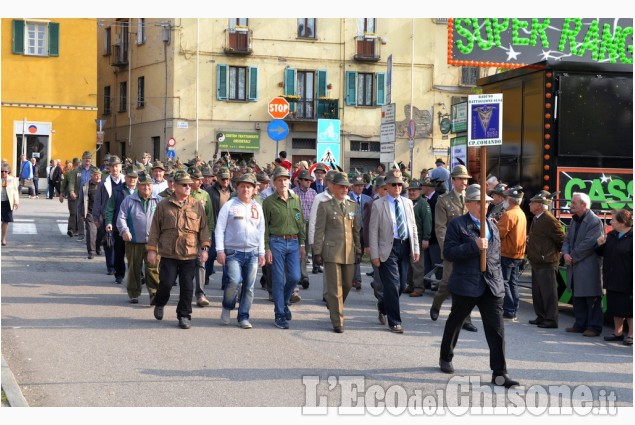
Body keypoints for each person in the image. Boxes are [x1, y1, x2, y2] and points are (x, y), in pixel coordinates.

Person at [438, 184, 519, 388]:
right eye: (480, 203)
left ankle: (500, 373)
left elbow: (495, 256)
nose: (485, 206)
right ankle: (445, 356)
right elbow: (449, 253)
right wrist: (472, 246)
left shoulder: (492, 225)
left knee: (496, 330)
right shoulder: (458, 225)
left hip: (491, 285)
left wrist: (499, 280)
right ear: (469, 204)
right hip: (466, 282)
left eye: (487, 203)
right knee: (456, 321)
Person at [147, 170, 210, 329]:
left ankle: (184, 315)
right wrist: (152, 250)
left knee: (187, 287)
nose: (188, 187)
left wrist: (204, 248)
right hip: (168, 252)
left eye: (190, 184)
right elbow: (154, 229)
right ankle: (160, 302)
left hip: (189, 253)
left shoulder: (196, 205)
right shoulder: (163, 205)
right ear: (174, 186)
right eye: (184, 184)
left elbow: (203, 228)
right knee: (166, 284)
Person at [368, 168, 420, 333]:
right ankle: (395, 321)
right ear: (387, 186)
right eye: (394, 184)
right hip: (387, 248)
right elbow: (373, 231)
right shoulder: (378, 204)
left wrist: (415, 248)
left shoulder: (408, 203)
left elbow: (412, 227)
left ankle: (383, 305)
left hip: (404, 246)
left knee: (402, 285)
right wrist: (375, 255)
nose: (397, 187)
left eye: (399, 184)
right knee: (392, 284)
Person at [430, 165, 477, 332]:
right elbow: (440, 228)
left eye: (466, 179)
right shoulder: (444, 201)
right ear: (454, 180)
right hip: (453, 248)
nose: (465, 182)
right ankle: (436, 304)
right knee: (447, 283)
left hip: (469, 249)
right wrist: (447, 249)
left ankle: (465, 319)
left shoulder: (472, 199)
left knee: (467, 285)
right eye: (461, 179)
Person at [215, 173, 266, 329]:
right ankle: (227, 306)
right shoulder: (230, 205)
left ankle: (243, 316)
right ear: (237, 187)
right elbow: (220, 229)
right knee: (234, 281)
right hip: (233, 252)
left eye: (249, 187)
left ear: (254, 190)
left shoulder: (257, 207)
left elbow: (261, 230)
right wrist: (220, 250)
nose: (245, 189)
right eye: (242, 186)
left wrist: (261, 252)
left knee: (249, 286)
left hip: (252, 253)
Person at [313, 172, 361, 333]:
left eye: (346, 187)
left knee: (347, 284)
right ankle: (338, 321)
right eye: (341, 186)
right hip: (331, 252)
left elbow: (356, 231)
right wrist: (317, 252)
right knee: (334, 288)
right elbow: (319, 231)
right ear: (333, 187)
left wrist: (359, 250)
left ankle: (334, 304)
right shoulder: (325, 206)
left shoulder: (352, 206)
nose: (344, 189)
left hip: (349, 252)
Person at [262, 166, 306, 329]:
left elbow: (300, 222)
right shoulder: (268, 202)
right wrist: (266, 248)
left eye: (285, 179)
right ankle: (279, 313)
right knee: (279, 280)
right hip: (276, 242)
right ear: (274, 183)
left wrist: (302, 243)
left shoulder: (296, 199)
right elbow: (265, 227)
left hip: (294, 242)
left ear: (290, 181)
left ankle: (284, 302)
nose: (283, 182)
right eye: (279, 180)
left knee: (295, 277)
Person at [116, 171, 162, 304]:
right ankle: (134, 293)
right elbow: (121, 217)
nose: (146, 188)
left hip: (153, 243)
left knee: (153, 268)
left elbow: (164, 220)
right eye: (143, 185)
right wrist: (124, 230)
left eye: (149, 185)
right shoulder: (129, 200)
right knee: (133, 268)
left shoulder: (159, 201)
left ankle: (154, 293)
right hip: (133, 242)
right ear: (138, 186)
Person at [561, 192, 603, 337]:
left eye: (574, 203)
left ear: (584, 205)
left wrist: (571, 256)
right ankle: (580, 324)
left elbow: (589, 244)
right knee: (577, 295)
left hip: (588, 265)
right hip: (575, 263)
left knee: (591, 297)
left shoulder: (595, 221)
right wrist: (565, 253)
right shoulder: (574, 220)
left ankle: (594, 327)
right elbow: (567, 239)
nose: (571, 205)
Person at [525, 190, 565, 329]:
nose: (530, 204)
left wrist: (554, 254)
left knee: (549, 293)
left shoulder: (549, 220)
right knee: (537, 292)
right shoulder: (537, 218)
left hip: (547, 262)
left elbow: (561, 239)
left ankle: (551, 319)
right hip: (537, 261)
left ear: (541, 205)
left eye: (533, 202)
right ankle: (541, 316)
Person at [596, 209, 633, 346]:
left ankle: (631, 334)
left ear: (622, 222)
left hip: (627, 279)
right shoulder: (612, 235)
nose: (610, 222)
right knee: (615, 306)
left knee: (629, 309)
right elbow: (602, 253)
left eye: (613, 220)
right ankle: (618, 332)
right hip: (612, 277)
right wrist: (600, 245)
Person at [105, 165, 140, 284]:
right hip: (119, 227)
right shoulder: (117, 191)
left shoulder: (140, 191)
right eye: (130, 177)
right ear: (125, 178)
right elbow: (110, 208)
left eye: (134, 177)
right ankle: (119, 274)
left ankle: (138, 274)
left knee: (136, 253)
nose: (132, 180)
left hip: (136, 228)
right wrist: (109, 222)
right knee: (119, 252)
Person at [497, 185, 527, 321]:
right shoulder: (520, 213)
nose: (504, 200)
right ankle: (514, 307)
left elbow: (499, 233)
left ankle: (509, 310)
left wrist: (494, 224)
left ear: (509, 200)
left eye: (505, 198)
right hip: (517, 253)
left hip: (507, 253)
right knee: (513, 282)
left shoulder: (509, 214)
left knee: (505, 282)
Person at [93, 155, 124, 276]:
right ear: (109, 168)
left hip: (123, 216)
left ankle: (119, 265)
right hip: (108, 216)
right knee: (109, 242)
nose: (115, 169)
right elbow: (98, 200)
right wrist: (96, 216)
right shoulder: (104, 183)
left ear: (120, 167)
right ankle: (111, 267)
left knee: (121, 244)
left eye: (117, 166)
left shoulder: (126, 180)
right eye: (112, 166)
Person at [188, 166, 214, 307]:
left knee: (200, 263)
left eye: (198, 179)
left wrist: (207, 236)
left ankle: (200, 293)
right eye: (194, 179)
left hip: (200, 234)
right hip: (185, 235)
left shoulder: (204, 195)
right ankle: (185, 292)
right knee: (185, 265)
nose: (196, 182)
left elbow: (209, 217)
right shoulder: (183, 193)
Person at [363, 176, 387, 324]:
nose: (387, 191)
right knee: (378, 277)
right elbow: (366, 227)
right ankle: (380, 299)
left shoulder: (392, 203)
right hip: (376, 245)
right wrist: (368, 245)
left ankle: (385, 301)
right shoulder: (371, 204)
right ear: (377, 190)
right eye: (384, 188)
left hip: (389, 247)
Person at [205, 167, 234, 286]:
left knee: (227, 256)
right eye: (223, 179)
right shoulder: (210, 191)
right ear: (217, 179)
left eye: (227, 179)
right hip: (214, 227)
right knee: (211, 254)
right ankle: (205, 275)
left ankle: (226, 282)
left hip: (230, 228)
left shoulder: (233, 192)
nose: (225, 181)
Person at [406, 179, 432, 297]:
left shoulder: (423, 204)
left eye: (414, 190)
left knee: (417, 265)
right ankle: (410, 285)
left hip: (419, 239)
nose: (412, 192)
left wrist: (426, 238)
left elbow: (427, 222)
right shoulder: (406, 202)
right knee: (409, 264)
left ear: (420, 191)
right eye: (410, 190)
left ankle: (418, 287)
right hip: (407, 238)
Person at [348, 175, 372, 290]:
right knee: (353, 253)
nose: (359, 188)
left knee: (359, 254)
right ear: (352, 186)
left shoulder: (368, 199)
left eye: (361, 186)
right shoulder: (347, 198)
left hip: (364, 231)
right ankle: (356, 278)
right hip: (351, 230)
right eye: (357, 186)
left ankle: (355, 278)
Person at [295, 169, 317, 290]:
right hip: (297, 224)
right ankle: (302, 276)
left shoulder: (313, 193)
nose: (308, 182)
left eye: (310, 180)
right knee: (298, 249)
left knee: (305, 249)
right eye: (306, 180)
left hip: (309, 224)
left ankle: (303, 276)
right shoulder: (293, 193)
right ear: (300, 181)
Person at [420, 177, 442, 287]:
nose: (421, 188)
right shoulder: (427, 198)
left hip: (434, 237)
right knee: (427, 262)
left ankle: (439, 284)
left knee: (436, 261)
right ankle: (426, 283)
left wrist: (428, 237)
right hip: (428, 237)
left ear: (428, 187)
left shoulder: (437, 199)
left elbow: (435, 220)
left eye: (423, 186)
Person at [77, 167, 103, 259]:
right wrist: (81, 214)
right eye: (95, 175)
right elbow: (80, 201)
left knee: (101, 232)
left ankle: (97, 246)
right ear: (91, 176)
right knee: (91, 232)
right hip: (90, 213)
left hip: (102, 213)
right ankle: (91, 251)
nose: (97, 177)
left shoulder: (104, 185)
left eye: (99, 175)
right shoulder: (86, 186)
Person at [1, 164, 20, 246]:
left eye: (6, 171)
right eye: (2, 171)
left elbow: (15, 191)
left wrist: (16, 201)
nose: (4, 173)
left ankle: (3, 239)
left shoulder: (12, 179)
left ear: (8, 171)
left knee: (6, 221)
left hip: (8, 202)